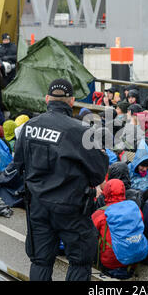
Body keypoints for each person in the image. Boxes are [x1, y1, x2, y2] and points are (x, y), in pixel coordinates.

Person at [13, 78, 109, 281]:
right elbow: (99, 172)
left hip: (38, 205)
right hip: (71, 207)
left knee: (40, 261)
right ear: (72, 101)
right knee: (80, 261)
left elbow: (18, 164)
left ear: (47, 99)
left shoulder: (29, 127)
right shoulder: (81, 132)